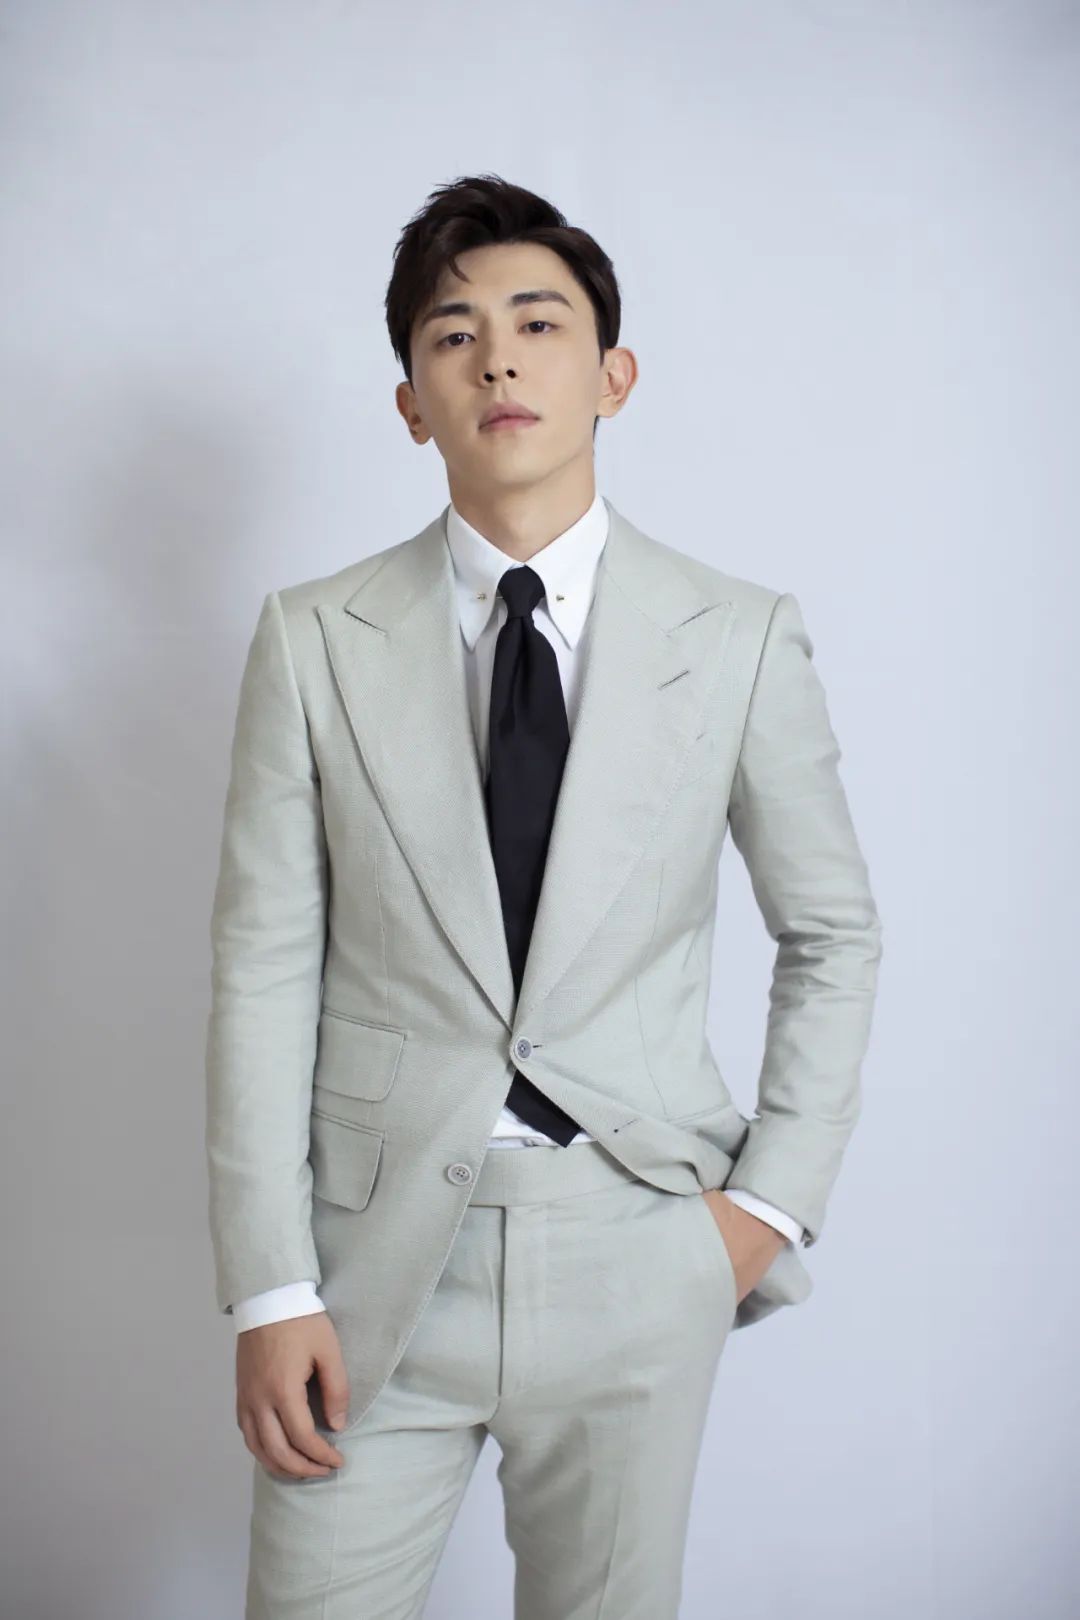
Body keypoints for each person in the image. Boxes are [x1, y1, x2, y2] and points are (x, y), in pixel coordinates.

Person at [204, 172, 883, 1619]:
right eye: (453, 335)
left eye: (538, 323)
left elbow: (831, 932)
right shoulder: (312, 640)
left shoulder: (739, 636)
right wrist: (270, 1287)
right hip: (370, 1268)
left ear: (612, 376)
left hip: (639, 1246)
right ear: (411, 402)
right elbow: (263, 968)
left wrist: (764, 1212)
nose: (498, 361)